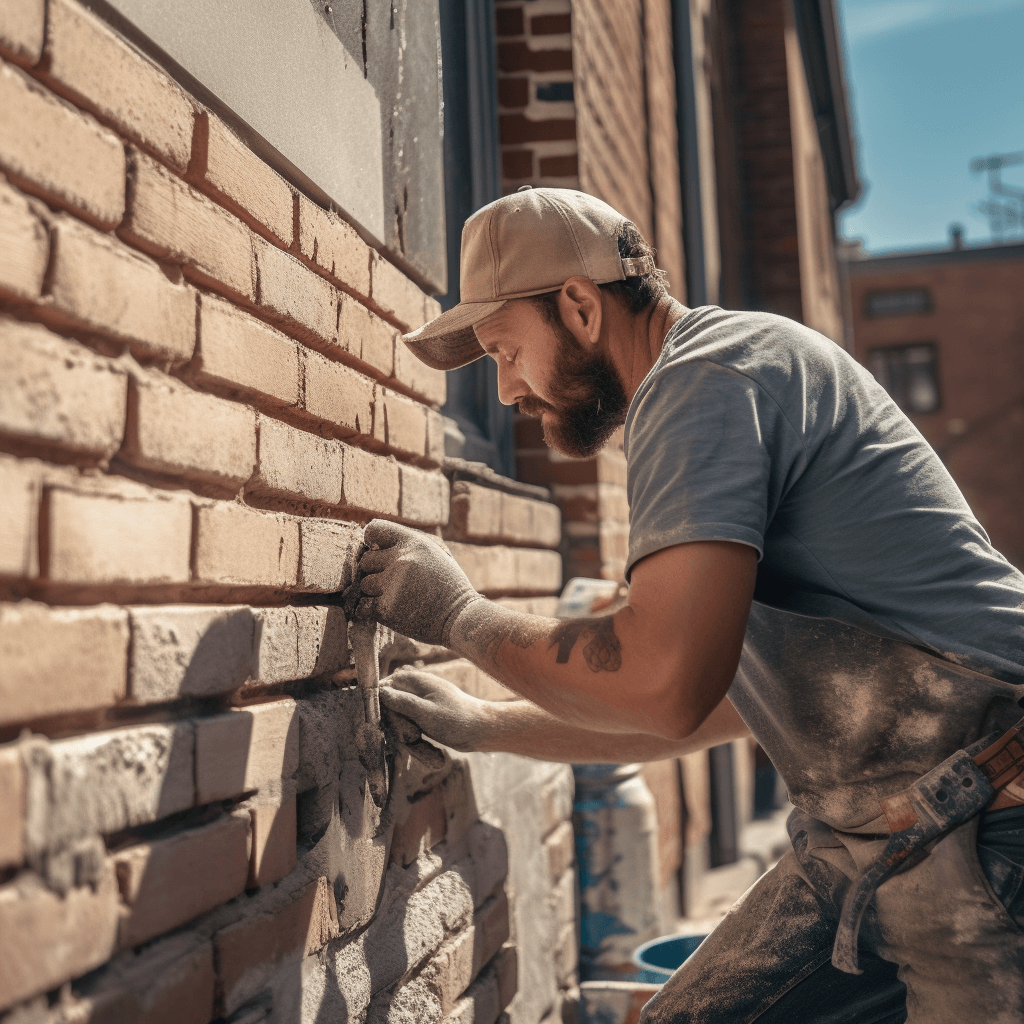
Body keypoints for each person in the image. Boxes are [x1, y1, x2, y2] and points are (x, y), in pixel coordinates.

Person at [352, 187, 1024, 1023]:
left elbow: (663, 683)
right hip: (886, 832)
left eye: (505, 350)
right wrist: (483, 723)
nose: (508, 392)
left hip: (991, 828)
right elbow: (708, 707)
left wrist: (461, 616)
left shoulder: (706, 378)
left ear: (579, 308)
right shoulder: (711, 388)